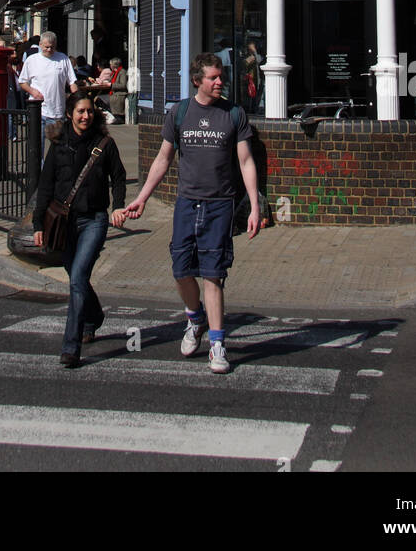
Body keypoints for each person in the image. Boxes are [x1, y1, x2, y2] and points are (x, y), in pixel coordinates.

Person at [123, 52, 261, 374]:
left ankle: (216, 344)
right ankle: (194, 318)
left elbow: (245, 162)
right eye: (213, 77)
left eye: (221, 76)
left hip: (219, 204)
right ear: (196, 80)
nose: (219, 82)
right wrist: (142, 198)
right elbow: (162, 159)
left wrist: (254, 206)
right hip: (187, 203)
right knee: (181, 270)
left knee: (213, 274)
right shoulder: (179, 113)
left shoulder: (234, 114)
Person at [33, 93, 127, 367]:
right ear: (70, 114)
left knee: (77, 278)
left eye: (89, 112)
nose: (85, 116)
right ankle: (94, 315)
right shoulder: (59, 145)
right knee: (76, 276)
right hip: (63, 222)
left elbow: (119, 177)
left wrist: (118, 207)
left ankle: (70, 347)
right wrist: (38, 224)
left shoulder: (104, 144)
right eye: (80, 112)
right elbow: (46, 185)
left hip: (94, 220)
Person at [18, 31, 78, 140]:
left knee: (59, 147)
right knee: (37, 146)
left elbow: (72, 82)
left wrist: (77, 100)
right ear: (40, 44)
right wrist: (33, 92)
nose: (49, 50)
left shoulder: (63, 59)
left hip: (58, 112)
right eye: (46, 47)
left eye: (52, 47)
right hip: (38, 111)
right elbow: (22, 82)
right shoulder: (32, 60)